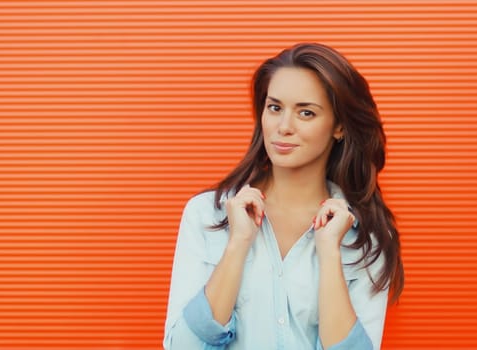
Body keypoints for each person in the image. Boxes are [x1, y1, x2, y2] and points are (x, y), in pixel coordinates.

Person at [163, 42, 404, 350]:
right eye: (275, 108)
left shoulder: (365, 236)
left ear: (339, 126)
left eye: (306, 112)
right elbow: (182, 347)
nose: (283, 127)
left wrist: (329, 253)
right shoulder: (207, 215)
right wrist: (237, 245)